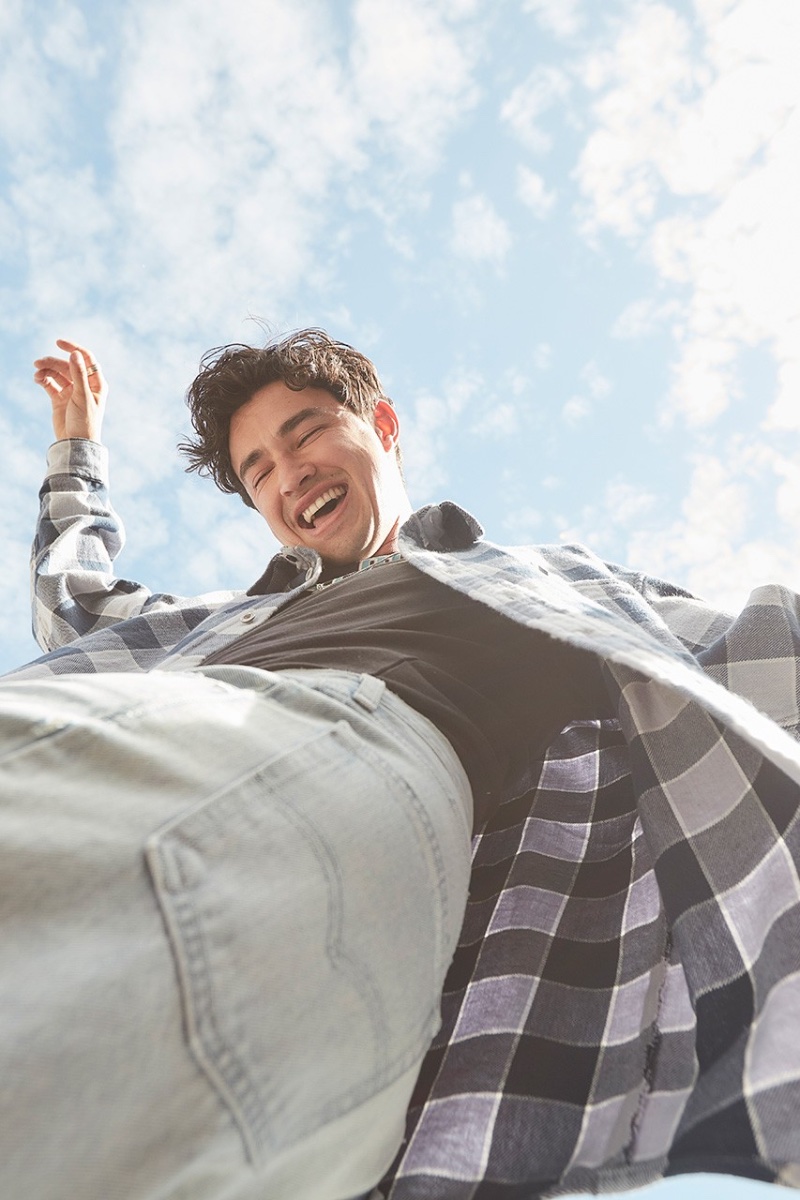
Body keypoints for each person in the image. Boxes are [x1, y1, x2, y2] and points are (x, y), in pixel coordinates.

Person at [2, 332, 800, 1200]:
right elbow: (75, 604)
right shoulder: (220, 619)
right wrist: (77, 447)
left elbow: (739, 647)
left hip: (342, 743)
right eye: (259, 469)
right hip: (167, 719)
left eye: (305, 434)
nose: (288, 473)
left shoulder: (528, 583)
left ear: (381, 425)